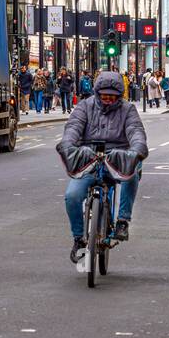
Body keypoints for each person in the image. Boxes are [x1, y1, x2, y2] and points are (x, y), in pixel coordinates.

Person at [59, 69, 149, 259]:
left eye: (113, 97)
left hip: (118, 157)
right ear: (97, 93)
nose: (108, 99)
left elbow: (136, 131)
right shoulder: (84, 106)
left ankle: (123, 221)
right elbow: (73, 128)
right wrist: (68, 145)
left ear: (120, 96)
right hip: (89, 158)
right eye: (104, 96)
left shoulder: (128, 110)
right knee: (72, 196)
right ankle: (79, 239)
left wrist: (136, 150)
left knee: (132, 171)